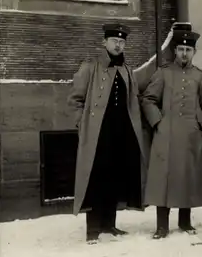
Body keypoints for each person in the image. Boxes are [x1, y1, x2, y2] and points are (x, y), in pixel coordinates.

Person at [67, 23, 173, 244]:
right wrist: (82, 125)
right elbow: (75, 100)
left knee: (114, 177)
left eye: (122, 42)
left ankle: (109, 224)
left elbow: (134, 100)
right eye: (114, 41)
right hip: (97, 135)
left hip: (120, 133)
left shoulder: (126, 70)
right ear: (104, 42)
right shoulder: (90, 67)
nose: (118, 45)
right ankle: (93, 229)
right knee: (95, 178)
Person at [141, 29, 202, 239]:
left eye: (188, 50)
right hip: (166, 135)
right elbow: (148, 99)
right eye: (181, 49)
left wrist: (200, 124)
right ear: (175, 51)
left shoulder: (199, 76)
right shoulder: (163, 73)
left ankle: (185, 221)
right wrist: (158, 122)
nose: (184, 54)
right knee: (163, 178)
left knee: (187, 176)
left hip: (190, 135)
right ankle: (161, 225)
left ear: (194, 52)